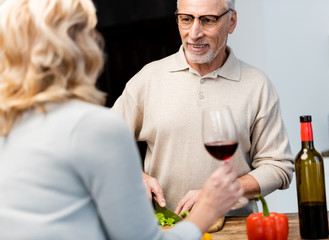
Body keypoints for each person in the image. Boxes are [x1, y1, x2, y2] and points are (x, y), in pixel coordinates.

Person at [0, 0, 244, 239]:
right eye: (87, 31)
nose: (97, 40)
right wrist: (207, 211)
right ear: (69, 48)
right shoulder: (96, 127)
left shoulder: (7, 124)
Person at [112, 0, 294, 215]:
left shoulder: (257, 85)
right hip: (166, 228)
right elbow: (101, 145)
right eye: (186, 19)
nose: (194, 33)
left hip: (236, 229)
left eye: (208, 20)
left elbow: (279, 167)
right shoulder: (148, 79)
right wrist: (135, 176)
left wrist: (220, 192)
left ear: (231, 21)